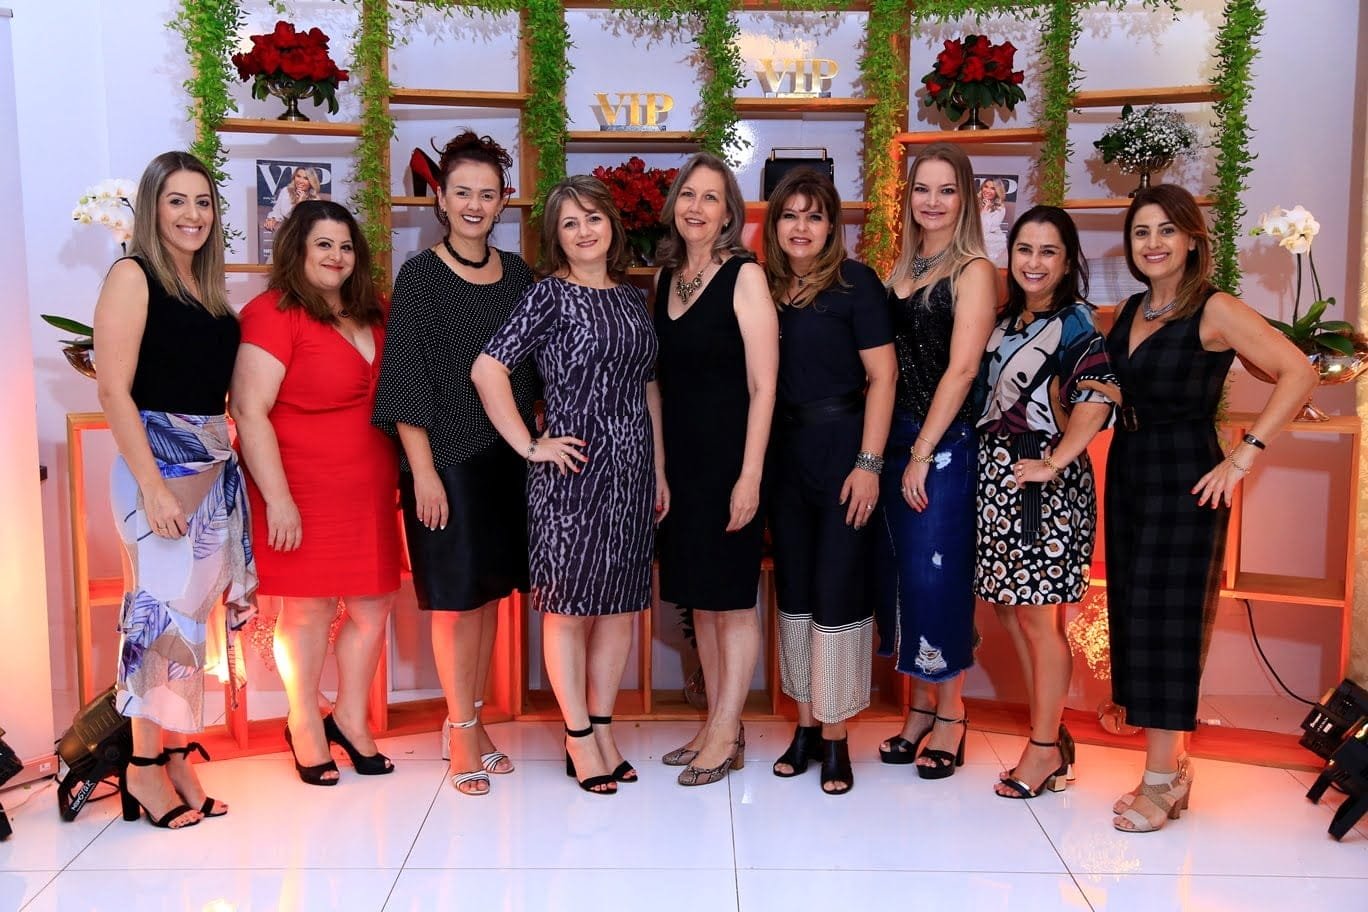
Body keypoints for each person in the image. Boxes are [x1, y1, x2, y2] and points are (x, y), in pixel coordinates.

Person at [1104, 184, 1317, 831]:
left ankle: (1159, 780)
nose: (1154, 243)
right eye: (1142, 232)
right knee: (1133, 613)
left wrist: (1244, 454)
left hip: (1185, 474)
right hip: (1129, 468)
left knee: (1166, 621)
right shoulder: (1132, 310)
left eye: (1167, 230)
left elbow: (1299, 371)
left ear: (1193, 239)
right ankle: (1174, 769)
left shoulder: (1214, 308)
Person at [472, 175, 665, 796]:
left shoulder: (631, 298)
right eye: (570, 223)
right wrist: (530, 446)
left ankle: (603, 728)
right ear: (556, 237)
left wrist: (658, 470)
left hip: (631, 472)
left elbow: (648, 386)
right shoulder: (548, 296)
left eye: (593, 218)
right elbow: (487, 369)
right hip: (571, 474)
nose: (585, 232)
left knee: (619, 606)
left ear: (612, 224)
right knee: (570, 609)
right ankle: (577, 735)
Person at [372, 131, 536, 797]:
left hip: (507, 460)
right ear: (440, 199)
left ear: (503, 201)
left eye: (486, 194)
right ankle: (461, 730)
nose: (474, 204)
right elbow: (404, 379)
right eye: (462, 192)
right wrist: (424, 473)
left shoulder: (518, 275)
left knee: (490, 597)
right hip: (446, 463)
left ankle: (472, 720)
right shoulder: (420, 276)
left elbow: (532, 368)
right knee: (455, 602)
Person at [95, 150, 256, 829]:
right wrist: (153, 487)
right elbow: (113, 391)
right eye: (177, 201)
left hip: (210, 470)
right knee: (156, 618)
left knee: (189, 623)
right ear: (152, 209)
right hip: (157, 471)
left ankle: (176, 755)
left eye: (203, 202)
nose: (193, 215)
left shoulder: (208, 290)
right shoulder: (133, 276)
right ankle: (140, 768)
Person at [230, 200, 400, 787]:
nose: (337, 256)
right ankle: (303, 721)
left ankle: (349, 717)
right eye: (323, 244)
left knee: (374, 606)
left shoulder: (375, 309)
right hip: (299, 486)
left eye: (346, 246)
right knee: (308, 610)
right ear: (297, 250)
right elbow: (248, 410)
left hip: (369, 486)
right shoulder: (272, 313)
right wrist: (278, 499)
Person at [974, 206, 1116, 799]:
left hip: (1041, 483)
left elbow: (1099, 397)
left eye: (1048, 251)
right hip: (998, 478)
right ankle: (1052, 738)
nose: (1033, 262)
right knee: (1011, 612)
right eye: (1024, 249)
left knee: (1038, 618)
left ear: (1067, 260)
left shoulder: (1076, 321)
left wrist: (1054, 462)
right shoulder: (1007, 318)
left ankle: (1041, 750)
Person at [764, 168, 896, 795]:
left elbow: (884, 377)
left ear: (832, 226)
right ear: (774, 224)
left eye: (814, 216)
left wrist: (869, 464)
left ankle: (838, 735)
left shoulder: (855, 283)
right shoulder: (765, 287)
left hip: (844, 450)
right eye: (790, 215)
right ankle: (806, 726)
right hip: (784, 456)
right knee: (794, 593)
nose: (801, 227)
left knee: (838, 590)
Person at [652, 152, 778, 787]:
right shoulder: (665, 277)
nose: (696, 207)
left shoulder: (744, 276)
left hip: (732, 461)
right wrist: (659, 467)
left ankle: (728, 730)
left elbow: (764, 386)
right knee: (700, 600)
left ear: (729, 213)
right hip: (683, 464)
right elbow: (655, 383)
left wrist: (751, 475)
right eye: (688, 195)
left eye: (710, 197)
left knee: (731, 602)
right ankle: (713, 724)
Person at [874, 142, 997, 780]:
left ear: (966, 198)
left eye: (947, 189)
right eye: (922, 188)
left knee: (937, 578)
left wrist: (924, 450)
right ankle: (919, 710)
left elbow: (964, 368)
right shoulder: (899, 270)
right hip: (893, 439)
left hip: (942, 444)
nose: (933, 201)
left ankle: (952, 715)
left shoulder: (974, 270)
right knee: (903, 577)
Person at [264, 166, 322, 232]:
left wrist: (300, 203)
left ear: (311, 182)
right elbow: (277, 210)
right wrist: (272, 218)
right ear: (294, 177)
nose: (300, 181)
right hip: (284, 230)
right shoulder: (286, 191)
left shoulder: (315, 200)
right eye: (298, 176)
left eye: (306, 178)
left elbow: (299, 222)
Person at [978, 178, 1008, 267]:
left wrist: (985, 210)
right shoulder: (974, 202)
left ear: (997, 192)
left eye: (992, 188)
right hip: (972, 240)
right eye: (986, 186)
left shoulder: (1000, 208)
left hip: (990, 245)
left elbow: (984, 230)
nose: (987, 190)